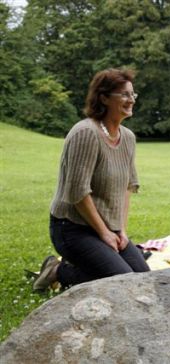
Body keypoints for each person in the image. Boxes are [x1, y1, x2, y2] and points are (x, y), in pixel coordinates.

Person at [33, 68, 150, 291]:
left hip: (109, 227)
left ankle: (79, 266)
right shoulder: (85, 133)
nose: (131, 100)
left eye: (133, 94)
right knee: (123, 282)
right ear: (104, 98)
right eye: (124, 95)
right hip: (72, 228)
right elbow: (77, 191)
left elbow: (128, 186)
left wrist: (121, 231)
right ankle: (57, 271)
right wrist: (104, 233)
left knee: (143, 278)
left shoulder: (128, 138)